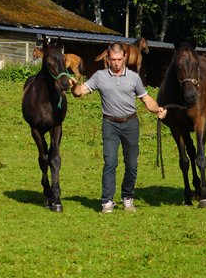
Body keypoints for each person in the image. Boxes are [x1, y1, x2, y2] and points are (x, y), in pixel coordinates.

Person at [71, 42, 166, 213]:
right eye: (113, 59)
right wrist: (73, 87)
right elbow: (79, 92)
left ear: (124, 58)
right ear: (108, 58)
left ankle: (127, 197)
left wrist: (158, 109)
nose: (116, 63)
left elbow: (146, 99)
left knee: (132, 165)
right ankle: (107, 201)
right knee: (110, 162)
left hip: (131, 124)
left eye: (119, 59)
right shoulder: (99, 76)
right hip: (110, 124)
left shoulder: (133, 77)